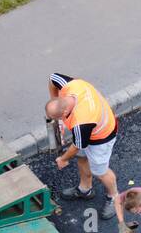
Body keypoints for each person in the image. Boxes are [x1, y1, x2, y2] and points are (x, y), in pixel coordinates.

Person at [45, 73, 123, 219]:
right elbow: (52, 78)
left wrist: (63, 159)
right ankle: (85, 189)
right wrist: (53, 99)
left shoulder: (82, 121)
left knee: (100, 171)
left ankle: (114, 197)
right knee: (82, 157)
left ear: (65, 111)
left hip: (102, 136)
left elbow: (77, 145)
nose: (59, 120)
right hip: (92, 129)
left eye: (59, 118)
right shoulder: (71, 87)